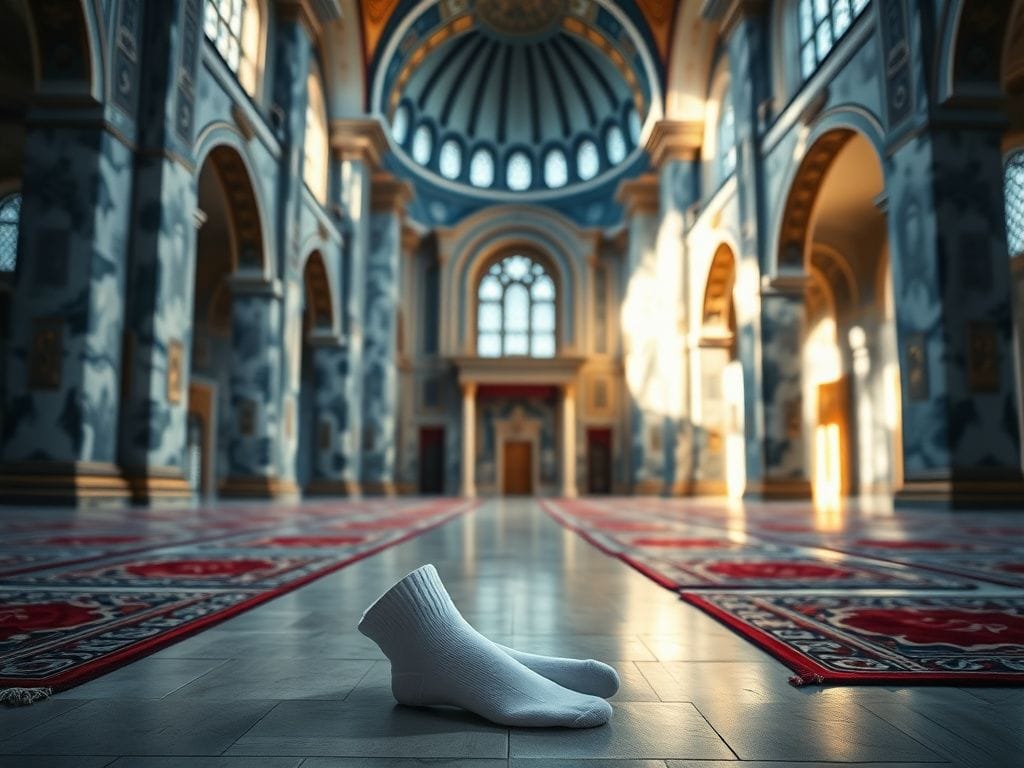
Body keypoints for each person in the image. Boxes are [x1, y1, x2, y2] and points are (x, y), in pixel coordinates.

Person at [358, 564, 619, 727]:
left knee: (468, 645)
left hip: (423, 664)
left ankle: (439, 650)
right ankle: (444, 650)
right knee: (467, 648)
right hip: (429, 662)